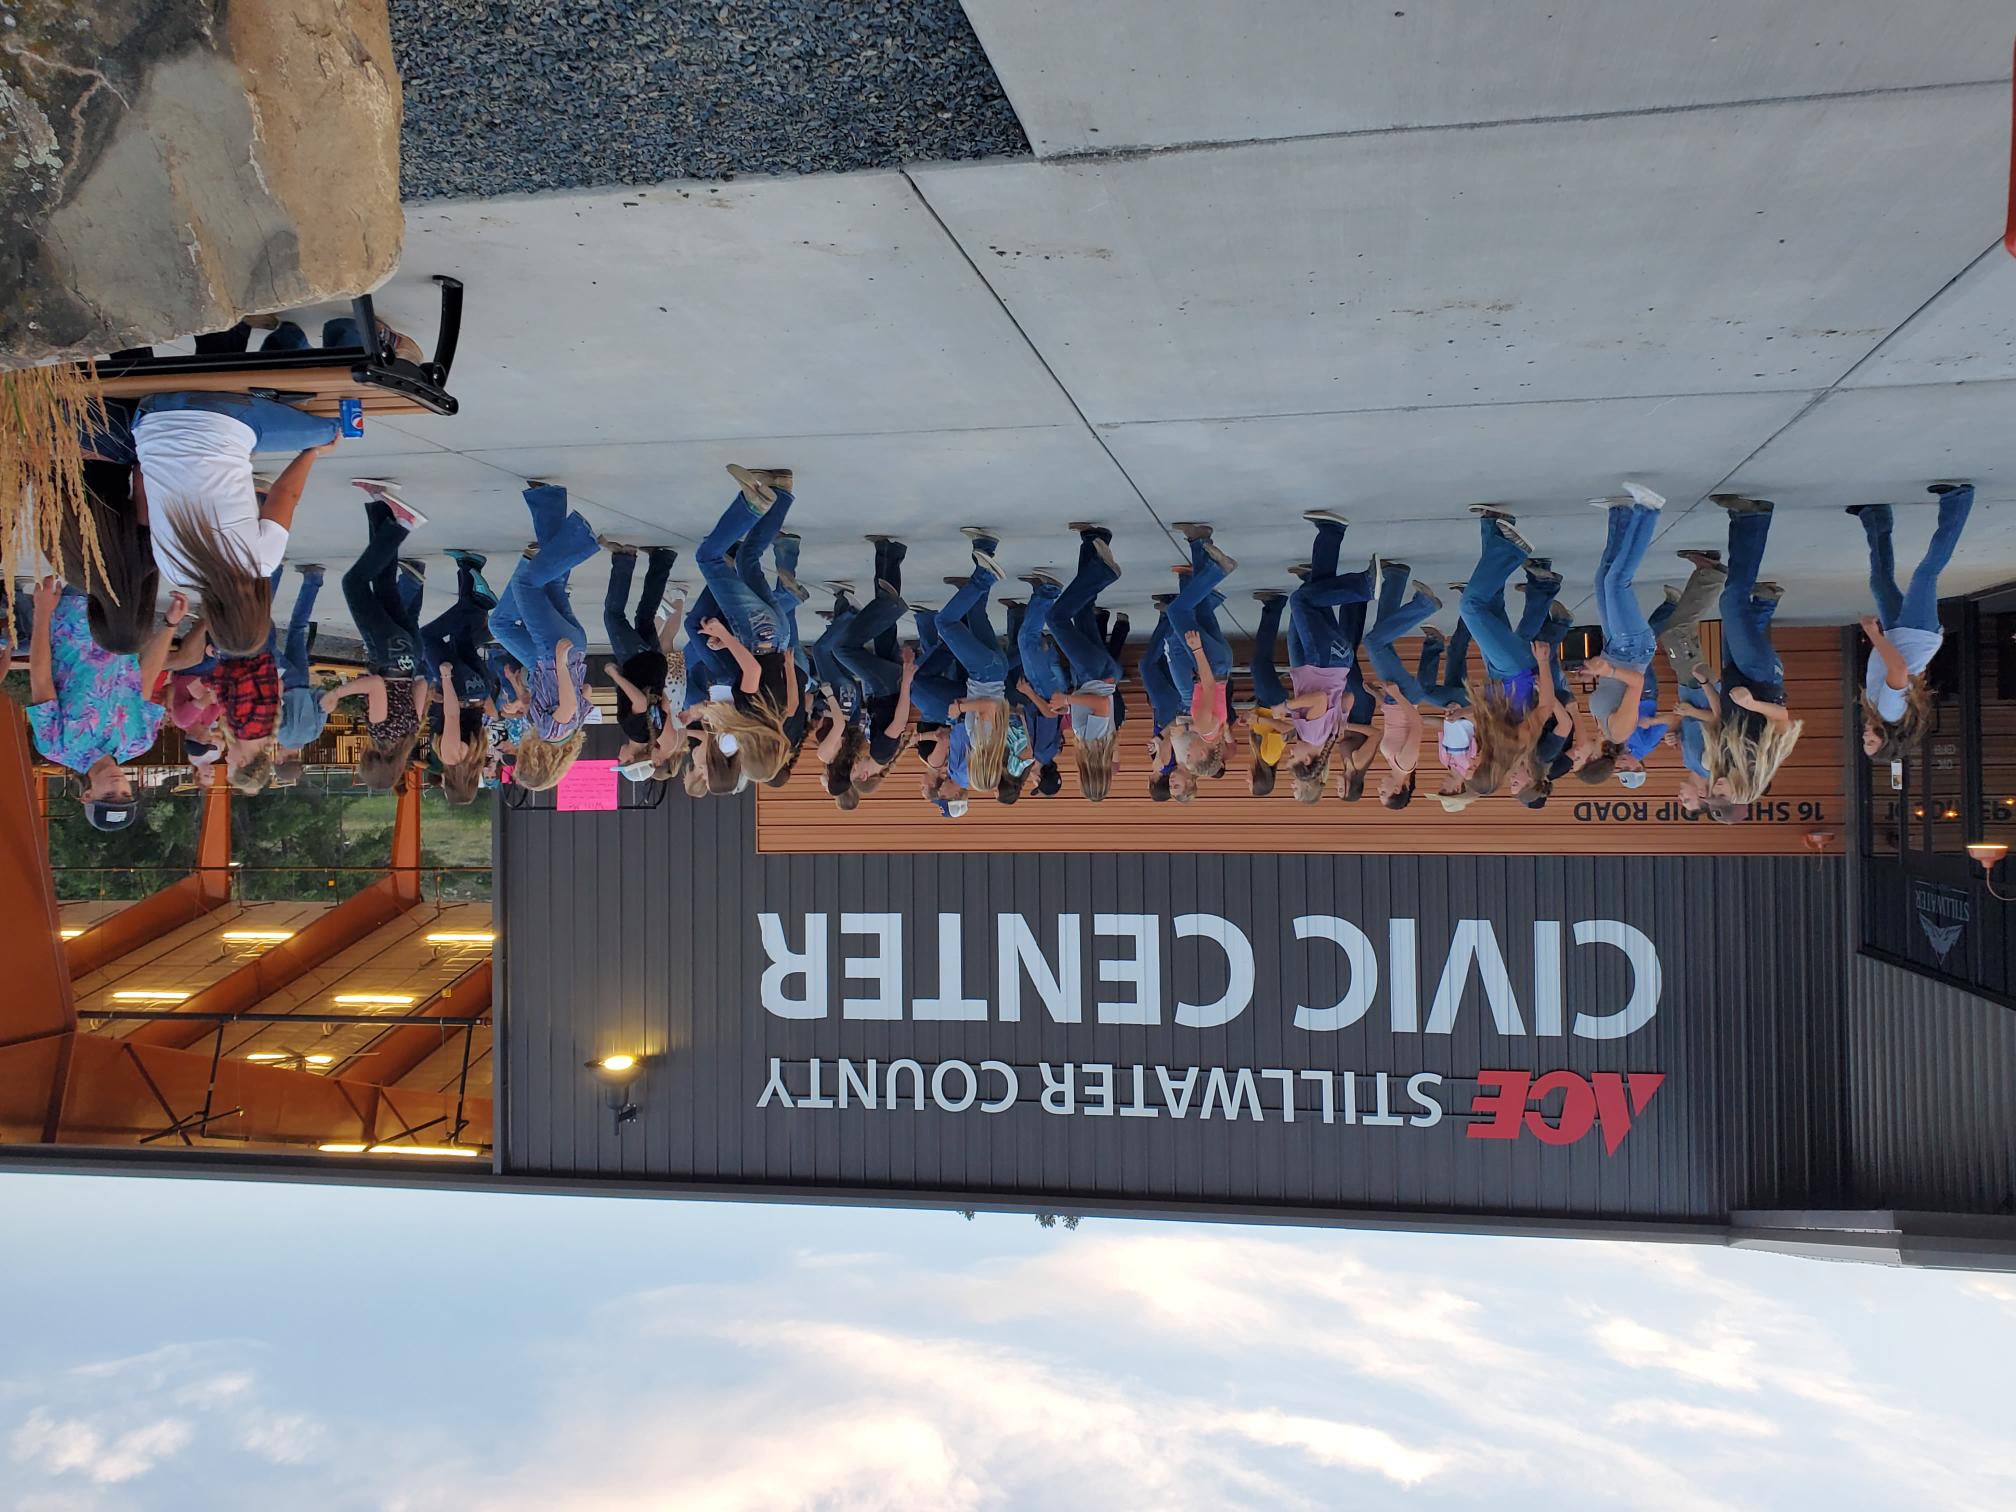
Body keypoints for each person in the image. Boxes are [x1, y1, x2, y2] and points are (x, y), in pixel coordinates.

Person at [7, 576, 179, 832]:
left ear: (87, 796)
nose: (117, 786)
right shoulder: (139, 741)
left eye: (109, 795)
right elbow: (145, 678)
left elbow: (41, 678)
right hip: (128, 622)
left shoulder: (56, 746)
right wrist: (170, 624)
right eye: (125, 793)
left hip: (79, 618)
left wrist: (42, 613)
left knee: (89, 556)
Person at [489, 479, 603, 792]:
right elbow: (567, 705)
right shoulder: (551, 733)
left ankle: (548, 500)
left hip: (571, 648)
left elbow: (586, 693)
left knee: (549, 585)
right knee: (525, 585)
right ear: (533, 760)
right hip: (554, 652)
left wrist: (526, 696)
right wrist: (561, 664)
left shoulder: (569, 734)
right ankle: (580, 541)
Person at [1853, 483, 1975, 761]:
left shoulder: (1878, 710)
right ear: (1886, 739)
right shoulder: (1890, 711)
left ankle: (1875, 517)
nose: (1865, 736)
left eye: (1864, 741)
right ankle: (1957, 501)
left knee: (1880, 582)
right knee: (1926, 574)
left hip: (1900, 634)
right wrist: (1873, 633)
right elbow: (1898, 668)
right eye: (1871, 741)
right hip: (1917, 634)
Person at [692, 466, 797, 785]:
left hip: (778, 636)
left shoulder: (777, 717)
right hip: (757, 634)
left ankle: (782, 491)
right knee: (708, 558)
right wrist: (723, 634)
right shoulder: (750, 714)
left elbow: (787, 693)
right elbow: (752, 670)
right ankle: (751, 504)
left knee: (748, 559)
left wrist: (728, 643)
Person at [323, 481, 432, 790]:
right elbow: (374, 685)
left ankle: (380, 504)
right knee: (353, 584)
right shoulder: (381, 733)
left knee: (384, 584)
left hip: (410, 653)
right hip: (387, 653)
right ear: (371, 762)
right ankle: (403, 524)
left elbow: (423, 684)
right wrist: (338, 694)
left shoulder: (410, 734)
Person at [1701, 494, 1804, 809]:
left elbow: (1721, 715)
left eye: (1712, 791)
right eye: (1721, 794)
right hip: (1760, 677)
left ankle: (1741, 522)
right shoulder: (1761, 759)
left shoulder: (1722, 760)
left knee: (1736, 610)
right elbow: (1783, 719)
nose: (1716, 787)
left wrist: (1706, 684)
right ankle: (1753, 519)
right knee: (1732, 602)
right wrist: (1753, 703)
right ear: (1741, 794)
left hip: (1734, 675)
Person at [1025, 525, 1125, 802]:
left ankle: (1093, 543)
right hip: (1094, 673)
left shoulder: (1098, 747)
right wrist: (1068, 700)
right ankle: (1103, 572)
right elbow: (1102, 705)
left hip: (1094, 676)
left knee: (1082, 614)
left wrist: (1070, 705)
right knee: (1056, 619)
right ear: (1089, 776)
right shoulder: (1094, 745)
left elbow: (1096, 707)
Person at [1577, 484, 1666, 791]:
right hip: (1633, 650)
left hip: (1616, 648)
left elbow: (1611, 687)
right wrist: (1609, 670)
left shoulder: (1604, 731)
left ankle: (1620, 513)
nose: (1575, 753)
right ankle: (1649, 510)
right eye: (1578, 759)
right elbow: (1637, 683)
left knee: (1603, 579)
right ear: (1593, 759)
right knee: (1617, 582)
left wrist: (1596, 671)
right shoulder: (1620, 732)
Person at [1280, 511, 1369, 803]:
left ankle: (1331, 532)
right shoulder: (1314, 736)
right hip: (1323, 662)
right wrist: (1287, 706)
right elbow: (1319, 699)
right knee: (1301, 600)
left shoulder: (1327, 736)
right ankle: (1364, 586)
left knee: (1317, 591)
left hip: (1332, 663)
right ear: (1307, 760)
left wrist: (1340, 715)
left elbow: (1348, 699)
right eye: (1293, 758)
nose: (1289, 753)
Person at [1458, 507, 1547, 795]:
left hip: (1497, 674)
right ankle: (1512, 549)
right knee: (1470, 607)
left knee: (1492, 604)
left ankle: (1493, 525)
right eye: (1471, 769)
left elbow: (1489, 712)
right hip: (1516, 669)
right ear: (1486, 771)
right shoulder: (1518, 743)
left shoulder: (1489, 744)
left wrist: (1462, 712)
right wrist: (1544, 663)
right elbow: (1545, 707)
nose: (1467, 764)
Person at [1362, 561, 1440, 809]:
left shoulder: (1393, 763)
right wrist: (1396, 695)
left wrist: (1378, 697)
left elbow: (1395, 724)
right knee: (1374, 642)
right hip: (1404, 695)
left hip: (1393, 698)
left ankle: (1395, 577)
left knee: (1383, 634)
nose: (1379, 788)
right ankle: (1424, 606)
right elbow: (1416, 723)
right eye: (1383, 793)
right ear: (1397, 790)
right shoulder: (1406, 763)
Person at [601, 542, 683, 778]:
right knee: (613, 617)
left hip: (656, 666)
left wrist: (655, 683)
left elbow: (665, 703)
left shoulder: (654, 734)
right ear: (631, 759)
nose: (619, 757)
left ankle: (662, 559)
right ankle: (624, 558)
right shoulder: (633, 730)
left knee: (646, 616)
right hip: (636, 664)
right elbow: (639, 701)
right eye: (621, 761)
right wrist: (615, 675)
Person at [272, 563, 328, 774]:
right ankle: (274, 572)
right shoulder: (280, 734)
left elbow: (323, 703)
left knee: (297, 628)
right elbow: (276, 705)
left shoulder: (313, 734)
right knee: (263, 642)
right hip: (284, 681)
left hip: (303, 681)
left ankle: (313, 579)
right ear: (280, 760)